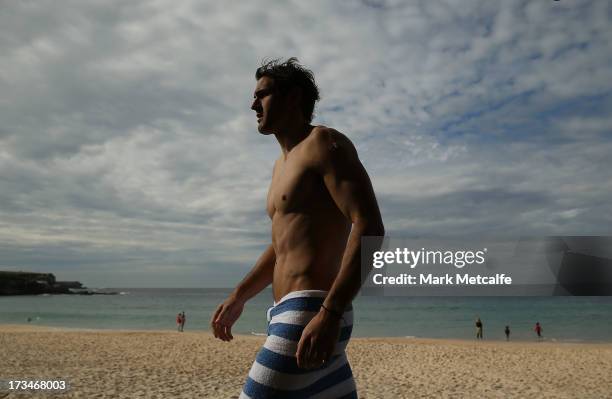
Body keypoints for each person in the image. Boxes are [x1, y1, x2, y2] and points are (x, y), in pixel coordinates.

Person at [210, 58, 384, 399]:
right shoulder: (280, 166)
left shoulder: (324, 143)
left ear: (293, 98)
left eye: (263, 95)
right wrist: (239, 295)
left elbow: (369, 226)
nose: (252, 104)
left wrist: (330, 314)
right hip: (288, 312)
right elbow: (282, 245)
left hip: (311, 312)